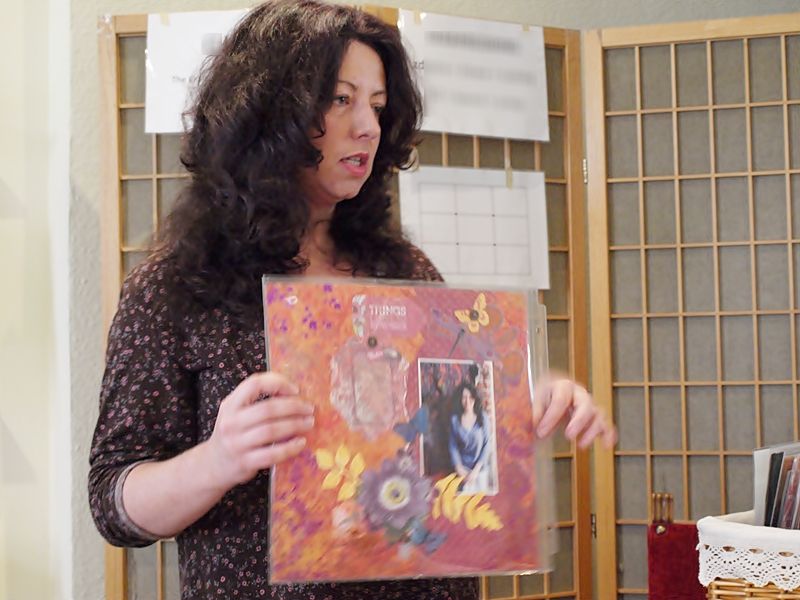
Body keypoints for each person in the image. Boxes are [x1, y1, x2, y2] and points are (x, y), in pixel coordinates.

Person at [88, 1, 616, 599]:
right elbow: (113, 501)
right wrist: (219, 459)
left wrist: (520, 406)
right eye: (341, 100)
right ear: (270, 113)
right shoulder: (178, 285)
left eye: (378, 106)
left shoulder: (404, 271)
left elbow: (445, 444)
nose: (367, 125)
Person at [448, 382, 491, 494]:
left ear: (475, 398)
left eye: (470, 397)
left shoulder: (483, 418)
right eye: (464, 397)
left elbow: (487, 444)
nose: (467, 401)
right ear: (460, 400)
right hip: (462, 471)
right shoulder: (454, 420)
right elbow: (453, 446)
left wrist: (476, 471)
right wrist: (458, 468)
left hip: (480, 470)